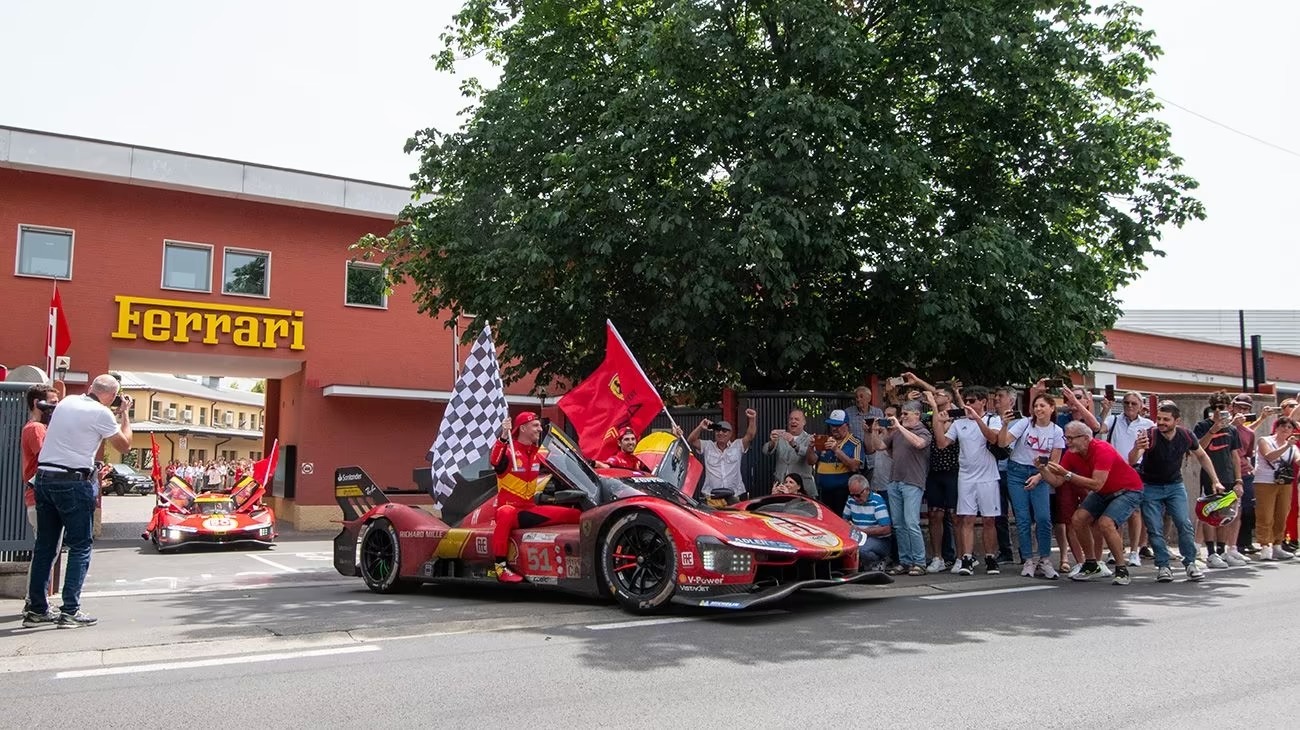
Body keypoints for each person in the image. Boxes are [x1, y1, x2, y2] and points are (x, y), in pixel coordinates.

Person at [23, 374, 133, 629]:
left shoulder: (67, 402)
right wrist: (124, 414)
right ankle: (70, 610)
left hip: (44, 479)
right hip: (73, 482)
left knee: (45, 546)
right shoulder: (101, 413)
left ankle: (36, 609)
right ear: (112, 396)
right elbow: (125, 445)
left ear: (91, 388)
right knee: (80, 546)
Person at [1038, 421, 1144, 586]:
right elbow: (1058, 481)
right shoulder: (1072, 453)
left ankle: (1122, 568)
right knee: (1078, 519)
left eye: (1072, 438)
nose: (1068, 442)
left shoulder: (1103, 449)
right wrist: (1042, 470)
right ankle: (1091, 564)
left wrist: (1067, 474)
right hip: (1104, 492)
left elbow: (1096, 484)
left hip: (1128, 490)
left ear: (1086, 438)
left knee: (1106, 523)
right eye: (1067, 438)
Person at [1129, 401, 1219, 582]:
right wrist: (1138, 447)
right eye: (1159, 418)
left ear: (1176, 421)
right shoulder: (1149, 435)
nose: (1160, 422)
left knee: (1184, 523)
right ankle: (1163, 566)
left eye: (1166, 419)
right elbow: (1132, 460)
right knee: (1155, 528)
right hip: (1150, 486)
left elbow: (1202, 455)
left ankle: (1191, 563)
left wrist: (1215, 480)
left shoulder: (1186, 435)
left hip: (1174, 485)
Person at [487, 412, 581, 583]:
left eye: (539, 425)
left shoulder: (538, 452)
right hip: (509, 511)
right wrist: (502, 436)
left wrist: (595, 464)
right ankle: (500, 567)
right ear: (523, 428)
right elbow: (494, 461)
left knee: (576, 516)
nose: (540, 429)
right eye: (535, 425)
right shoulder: (508, 451)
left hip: (530, 509)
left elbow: (567, 463)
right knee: (506, 512)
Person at [934, 386, 1003, 576]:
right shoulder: (958, 423)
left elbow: (994, 438)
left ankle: (990, 557)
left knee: (989, 519)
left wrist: (977, 418)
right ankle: (966, 557)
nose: (968, 405)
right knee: (967, 518)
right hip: (966, 476)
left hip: (988, 476)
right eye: (966, 401)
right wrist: (939, 423)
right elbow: (942, 443)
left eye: (972, 401)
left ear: (983, 402)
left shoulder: (993, 419)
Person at [998, 392, 1064, 579]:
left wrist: (1038, 476)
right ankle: (1028, 559)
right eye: (1036, 406)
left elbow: (1054, 462)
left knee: (1043, 518)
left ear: (1052, 408)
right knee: (1023, 518)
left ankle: (1045, 559)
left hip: (1041, 474)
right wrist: (1004, 425)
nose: (1038, 409)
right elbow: (1003, 442)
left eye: (1043, 406)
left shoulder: (1056, 431)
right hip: (1017, 472)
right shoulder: (1025, 423)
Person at [870, 401, 931, 576]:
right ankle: (905, 561)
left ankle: (919, 562)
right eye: (901, 414)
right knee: (899, 524)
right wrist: (874, 431)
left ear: (917, 415)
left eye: (905, 414)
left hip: (912, 481)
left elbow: (919, 444)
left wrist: (899, 427)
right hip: (895, 480)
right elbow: (879, 447)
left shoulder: (922, 431)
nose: (901, 417)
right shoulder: (897, 433)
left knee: (911, 522)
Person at [20, 382, 62, 615]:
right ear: (38, 403)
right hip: (40, 496)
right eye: (53, 404)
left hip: (38, 496)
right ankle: (34, 601)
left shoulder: (35, 427)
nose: (56, 409)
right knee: (46, 551)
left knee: (47, 551)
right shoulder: (36, 428)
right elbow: (48, 456)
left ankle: (36, 600)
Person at [1099, 391, 1155, 566]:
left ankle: (1134, 551)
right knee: (1115, 510)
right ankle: (1117, 549)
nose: (1129, 406)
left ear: (1141, 406)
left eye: (1133, 403)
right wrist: (1104, 411)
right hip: (1115, 469)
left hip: (1137, 469)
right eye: (1126, 403)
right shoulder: (1114, 419)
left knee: (1135, 511)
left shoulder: (1148, 424)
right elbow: (1100, 428)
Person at [1193, 393, 1247, 568]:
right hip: (1210, 477)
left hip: (1229, 477)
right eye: (1215, 407)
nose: (1218, 410)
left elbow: (1235, 456)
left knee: (1225, 514)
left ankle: (1223, 551)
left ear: (1228, 408)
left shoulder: (1232, 430)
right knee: (1209, 514)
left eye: (1222, 407)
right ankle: (1210, 553)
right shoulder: (1202, 426)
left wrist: (1239, 480)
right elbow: (1199, 448)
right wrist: (1213, 430)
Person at [1253, 417, 1298, 561]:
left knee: (1282, 513)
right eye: (1283, 426)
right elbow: (1269, 456)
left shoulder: (1293, 446)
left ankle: (1278, 544)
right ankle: (1265, 545)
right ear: (1276, 427)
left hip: (1284, 482)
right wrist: (1286, 446)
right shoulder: (1264, 440)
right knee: (1265, 514)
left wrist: (1290, 446)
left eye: (1289, 427)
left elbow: (1297, 459)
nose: (1286, 429)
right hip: (1265, 481)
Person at [807, 409, 864, 517]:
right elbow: (811, 461)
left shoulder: (855, 442)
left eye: (838, 425)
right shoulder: (825, 440)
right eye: (832, 425)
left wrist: (836, 450)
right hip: (823, 490)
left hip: (843, 492)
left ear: (847, 425)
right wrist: (810, 448)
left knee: (842, 520)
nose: (834, 428)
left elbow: (855, 467)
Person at [761, 409, 816, 498]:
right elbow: (765, 451)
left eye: (797, 419)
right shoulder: (781, 436)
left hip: (802, 489)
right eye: (791, 419)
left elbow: (811, 458)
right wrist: (772, 442)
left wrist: (793, 443)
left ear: (804, 422)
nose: (793, 421)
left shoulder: (810, 439)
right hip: (781, 487)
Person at [842, 475, 892, 570]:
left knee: (861, 549)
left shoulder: (877, 501)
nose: (855, 498)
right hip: (860, 538)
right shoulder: (850, 500)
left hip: (879, 540)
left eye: (858, 495)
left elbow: (887, 529)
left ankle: (879, 561)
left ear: (867, 490)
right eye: (852, 495)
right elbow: (844, 519)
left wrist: (863, 531)